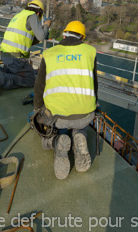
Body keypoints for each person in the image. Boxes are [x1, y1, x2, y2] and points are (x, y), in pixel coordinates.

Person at [32, 20, 98, 180]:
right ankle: (79, 135)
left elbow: (39, 87)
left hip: (58, 119)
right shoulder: (90, 52)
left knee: (48, 135)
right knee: (78, 124)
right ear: (82, 38)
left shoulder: (49, 54)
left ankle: (57, 141)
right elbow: (95, 84)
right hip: (85, 115)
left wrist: (38, 109)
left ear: (63, 35)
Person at [0, 0, 51, 96]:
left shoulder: (19, 15)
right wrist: (46, 25)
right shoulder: (32, 16)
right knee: (31, 80)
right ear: (39, 13)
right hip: (15, 58)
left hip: (5, 55)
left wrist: (40, 35)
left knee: (20, 73)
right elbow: (41, 36)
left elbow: (24, 40)